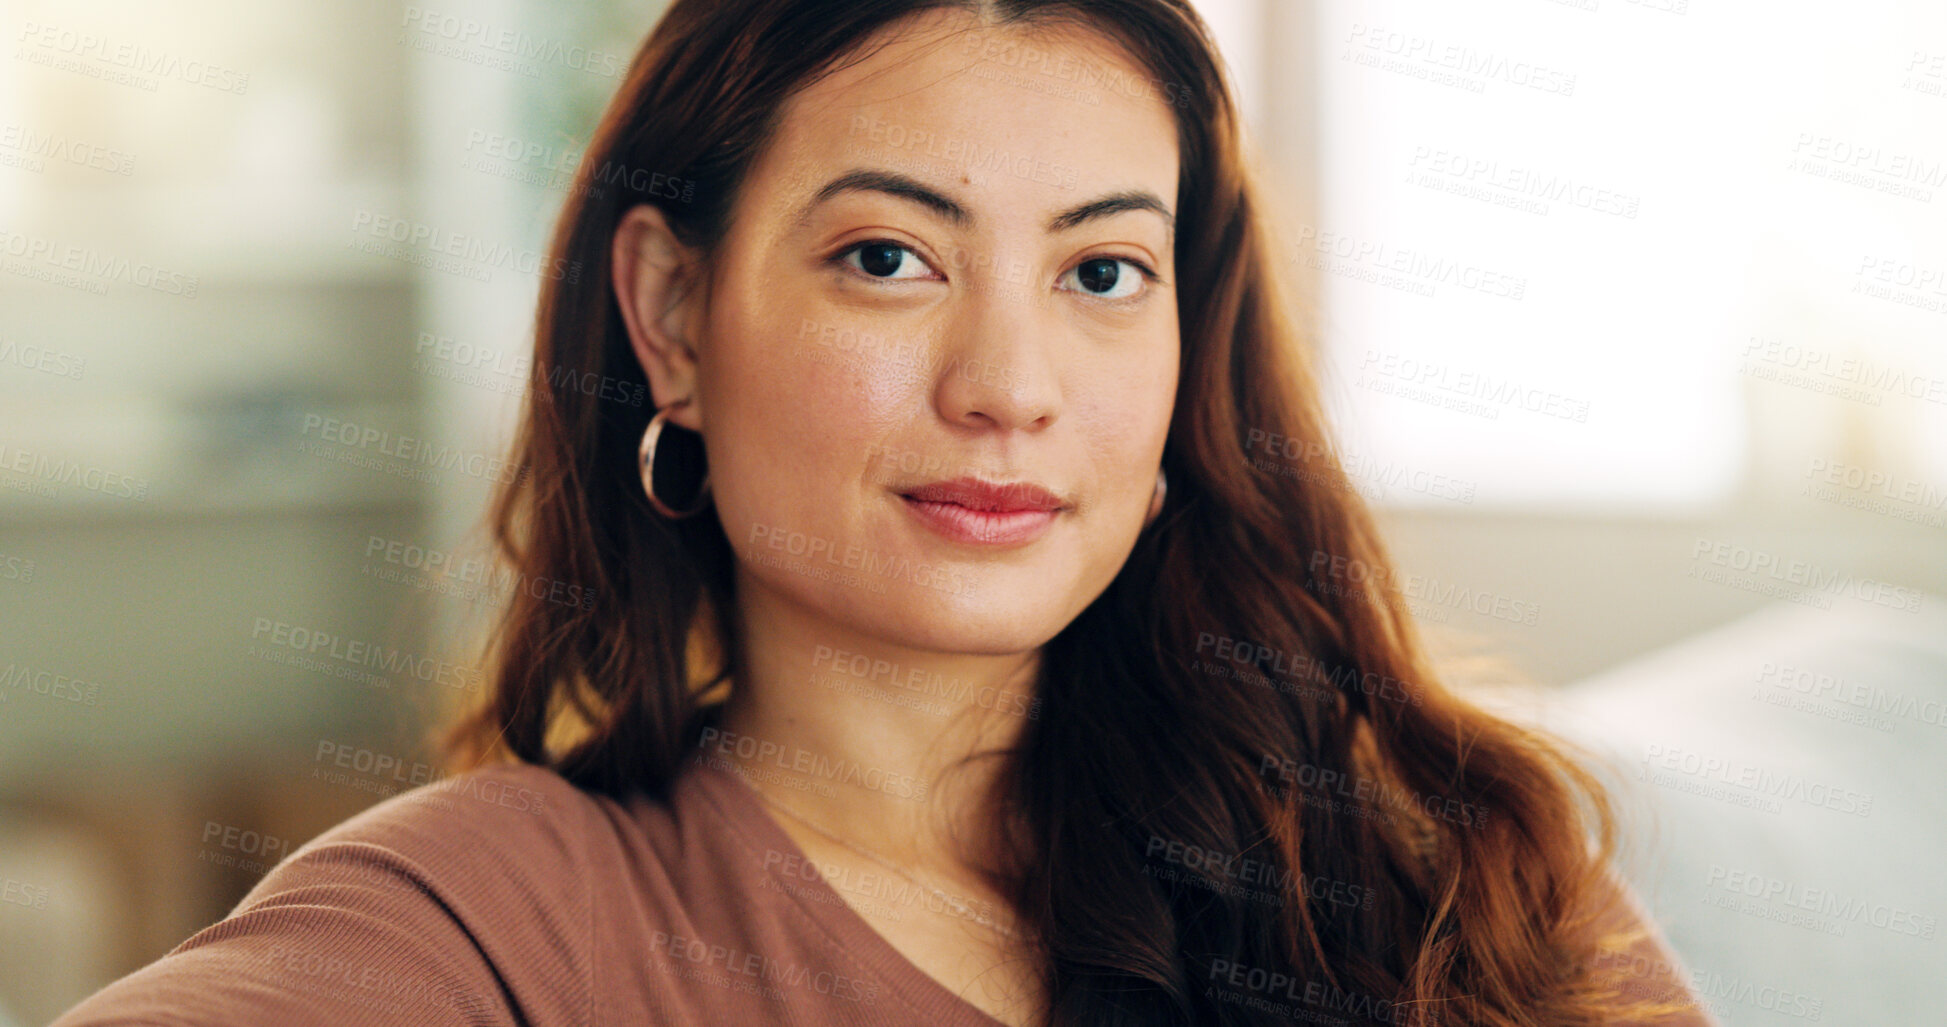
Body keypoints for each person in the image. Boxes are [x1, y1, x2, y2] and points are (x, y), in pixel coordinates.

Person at [52, 0, 1719, 1024]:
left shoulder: (1452, 871)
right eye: (887, 259)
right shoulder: (489, 923)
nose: (1010, 382)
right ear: (675, 320)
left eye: (1104, 272)